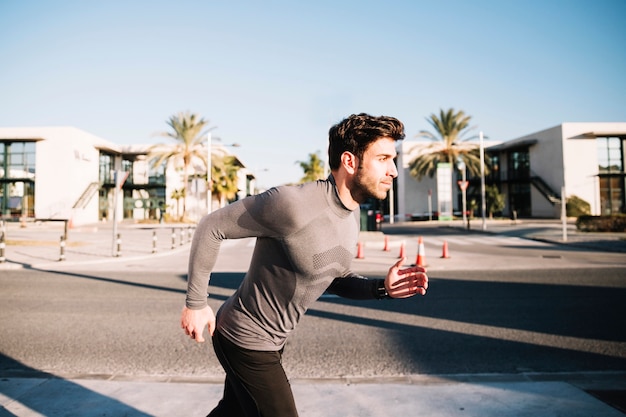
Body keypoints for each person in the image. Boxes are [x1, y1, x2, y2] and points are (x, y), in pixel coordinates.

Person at [181, 113, 429, 417]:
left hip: (272, 340)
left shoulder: (350, 217)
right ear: (350, 162)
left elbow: (334, 278)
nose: (393, 171)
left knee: (233, 412)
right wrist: (195, 303)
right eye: (383, 158)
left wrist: (382, 288)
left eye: (393, 159)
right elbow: (212, 226)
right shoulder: (291, 204)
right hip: (244, 337)